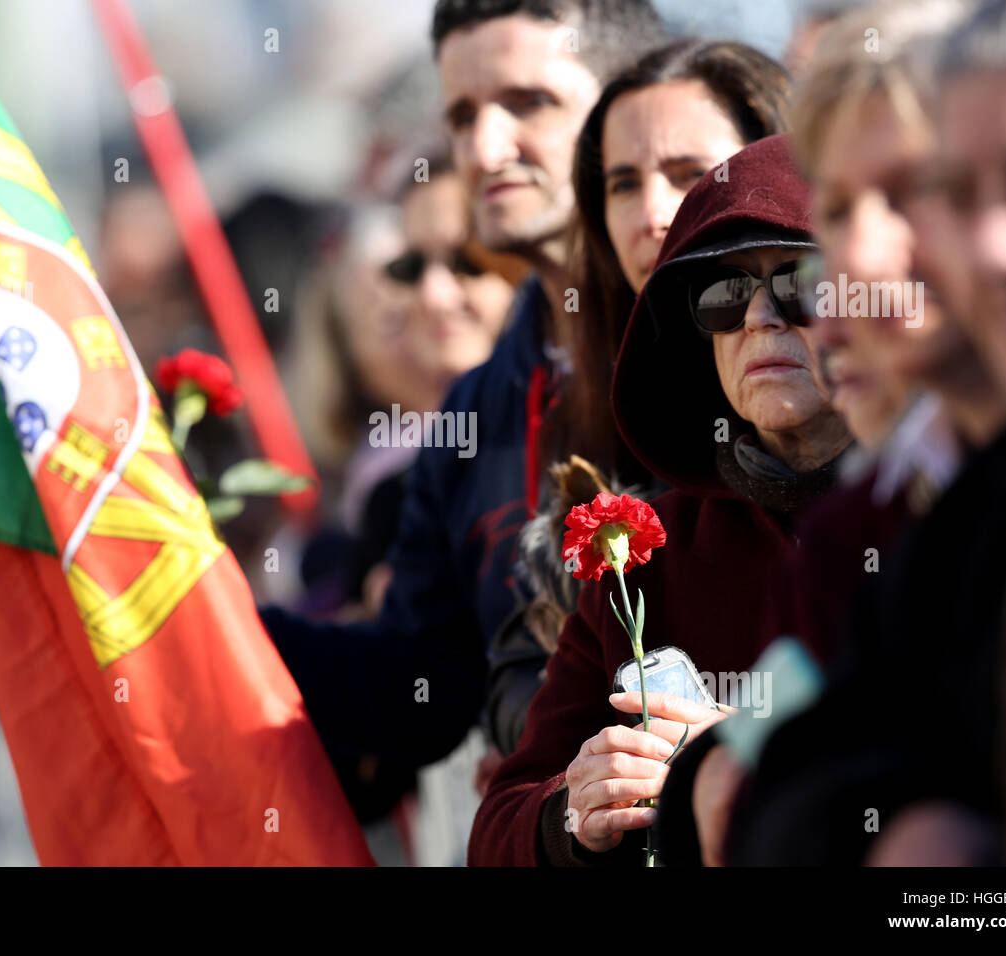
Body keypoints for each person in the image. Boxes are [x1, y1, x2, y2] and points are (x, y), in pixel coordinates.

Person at [260, 0, 664, 773]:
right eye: (462, 113)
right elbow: (421, 684)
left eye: (529, 103)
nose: (485, 146)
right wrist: (208, 619)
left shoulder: (719, 342)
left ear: (626, 106)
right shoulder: (474, 407)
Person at [721, 0, 1006, 866]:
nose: (861, 263)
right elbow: (767, 787)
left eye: (916, 189)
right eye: (836, 210)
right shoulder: (877, 520)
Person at [468, 134, 852, 866]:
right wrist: (576, 814)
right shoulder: (643, 555)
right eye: (724, 295)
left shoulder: (940, 508)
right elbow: (496, 832)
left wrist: (736, 751)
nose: (760, 319)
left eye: (802, 283)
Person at [487, 38, 793, 756]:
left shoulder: (847, 420)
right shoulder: (559, 402)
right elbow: (513, 686)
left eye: (691, 172)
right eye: (623, 183)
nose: (653, 211)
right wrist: (581, 767)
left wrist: (734, 753)